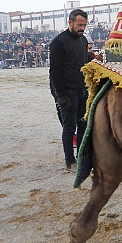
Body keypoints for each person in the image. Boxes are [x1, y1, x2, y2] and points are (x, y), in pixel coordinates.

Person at [49, 9, 89, 170]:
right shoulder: (59, 42)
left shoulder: (84, 40)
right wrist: (61, 95)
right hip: (67, 92)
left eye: (85, 25)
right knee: (69, 127)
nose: (82, 28)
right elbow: (54, 71)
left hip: (82, 91)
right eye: (79, 25)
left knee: (84, 126)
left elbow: (84, 63)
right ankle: (69, 161)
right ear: (70, 23)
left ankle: (81, 157)